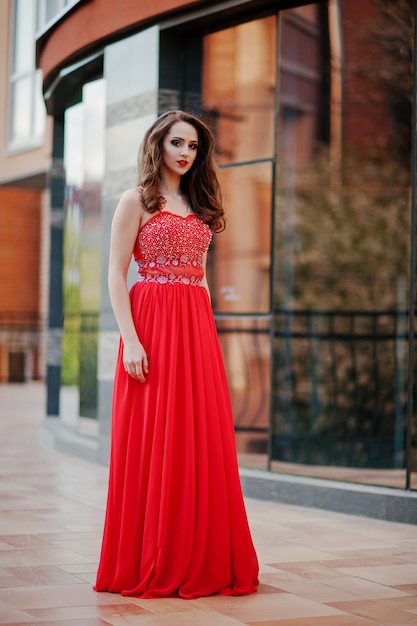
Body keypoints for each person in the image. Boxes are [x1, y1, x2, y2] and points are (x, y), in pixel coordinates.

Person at [94, 110, 259, 599]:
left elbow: (202, 279)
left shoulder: (200, 203)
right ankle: (150, 557)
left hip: (194, 328)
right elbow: (115, 275)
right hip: (150, 325)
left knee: (196, 440)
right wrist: (132, 340)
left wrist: (209, 343)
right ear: (157, 146)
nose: (185, 153)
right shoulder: (136, 201)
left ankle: (198, 553)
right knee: (153, 440)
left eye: (192, 146)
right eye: (177, 143)